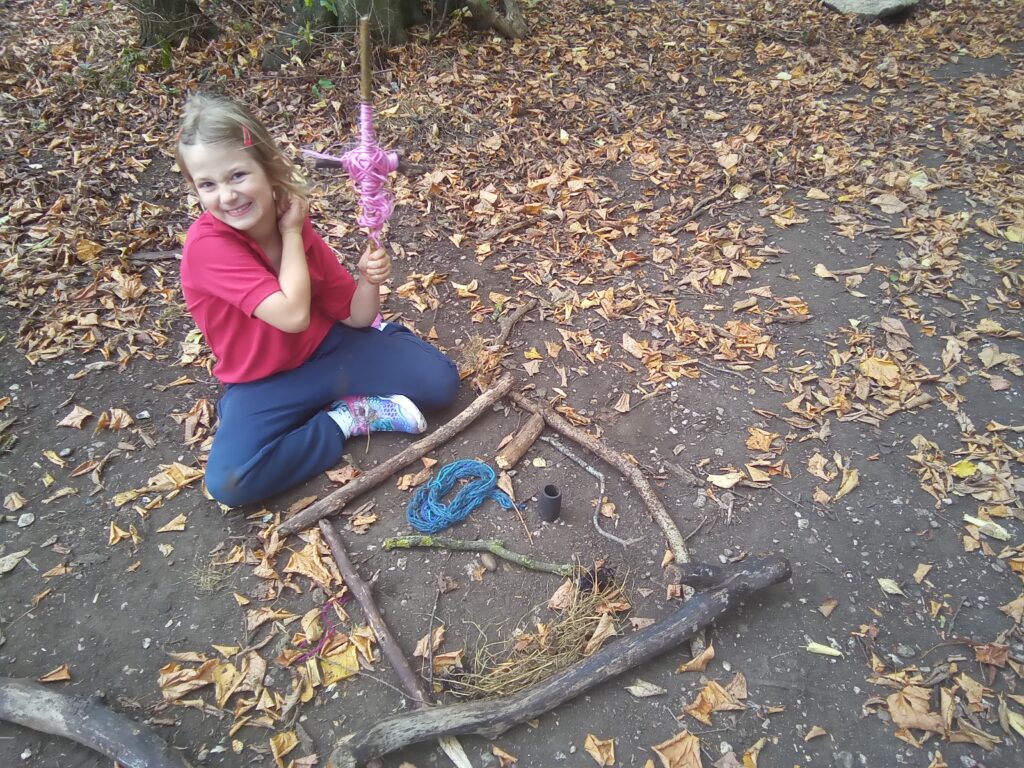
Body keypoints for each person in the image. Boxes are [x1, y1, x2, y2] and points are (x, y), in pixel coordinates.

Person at [174, 92, 460, 507]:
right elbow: (291, 314)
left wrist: (367, 281)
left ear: (268, 169)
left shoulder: (289, 220)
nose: (227, 195)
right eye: (208, 184)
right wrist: (291, 233)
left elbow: (357, 316)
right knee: (231, 483)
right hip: (264, 382)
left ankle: (380, 353)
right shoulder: (210, 247)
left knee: (441, 384)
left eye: (237, 175)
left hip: (329, 350)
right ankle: (346, 417)